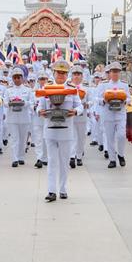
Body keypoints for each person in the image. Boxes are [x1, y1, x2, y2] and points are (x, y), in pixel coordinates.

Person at [38, 60, 82, 201]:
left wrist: (75, 111)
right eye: (59, 72)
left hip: (66, 130)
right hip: (50, 129)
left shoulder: (72, 88)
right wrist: (41, 111)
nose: (61, 75)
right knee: (52, 161)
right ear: (54, 73)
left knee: (64, 161)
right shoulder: (47, 88)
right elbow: (39, 106)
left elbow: (80, 106)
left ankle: (63, 189)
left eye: (64, 73)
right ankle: (51, 191)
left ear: (67, 74)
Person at [97, 62, 131, 169]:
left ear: (120, 73)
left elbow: (129, 98)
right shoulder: (104, 84)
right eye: (113, 72)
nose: (115, 74)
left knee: (121, 136)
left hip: (120, 114)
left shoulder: (124, 84)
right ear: (110, 73)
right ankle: (112, 159)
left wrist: (125, 100)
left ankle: (120, 154)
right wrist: (104, 100)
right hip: (108, 114)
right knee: (110, 138)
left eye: (117, 72)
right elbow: (97, 99)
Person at [3, 67, 34, 167]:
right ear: (12, 78)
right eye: (15, 77)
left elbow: (31, 103)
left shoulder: (28, 90)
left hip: (24, 117)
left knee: (22, 139)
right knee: (14, 139)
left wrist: (24, 103)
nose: (17, 79)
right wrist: (10, 103)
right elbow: (5, 102)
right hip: (12, 117)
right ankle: (14, 158)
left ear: (22, 78)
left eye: (19, 77)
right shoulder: (8, 90)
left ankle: (21, 157)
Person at [69, 65, 88, 168]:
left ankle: (79, 156)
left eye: (78, 74)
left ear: (82, 76)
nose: (76, 76)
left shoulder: (86, 88)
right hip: (71, 116)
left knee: (81, 137)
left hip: (82, 116)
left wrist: (87, 104)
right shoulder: (68, 87)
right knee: (72, 137)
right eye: (75, 74)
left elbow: (92, 100)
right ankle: (72, 156)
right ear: (71, 76)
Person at [32, 72, 49, 169]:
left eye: (44, 79)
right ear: (38, 81)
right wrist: (34, 107)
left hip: (47, 119)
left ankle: (45, 158)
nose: (43, 81)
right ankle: (39, 158)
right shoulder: (34, 92)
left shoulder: (50, 91)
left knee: (46, 139)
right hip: (37, 118)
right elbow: (31, 103)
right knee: (38, 139)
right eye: (41, 79)